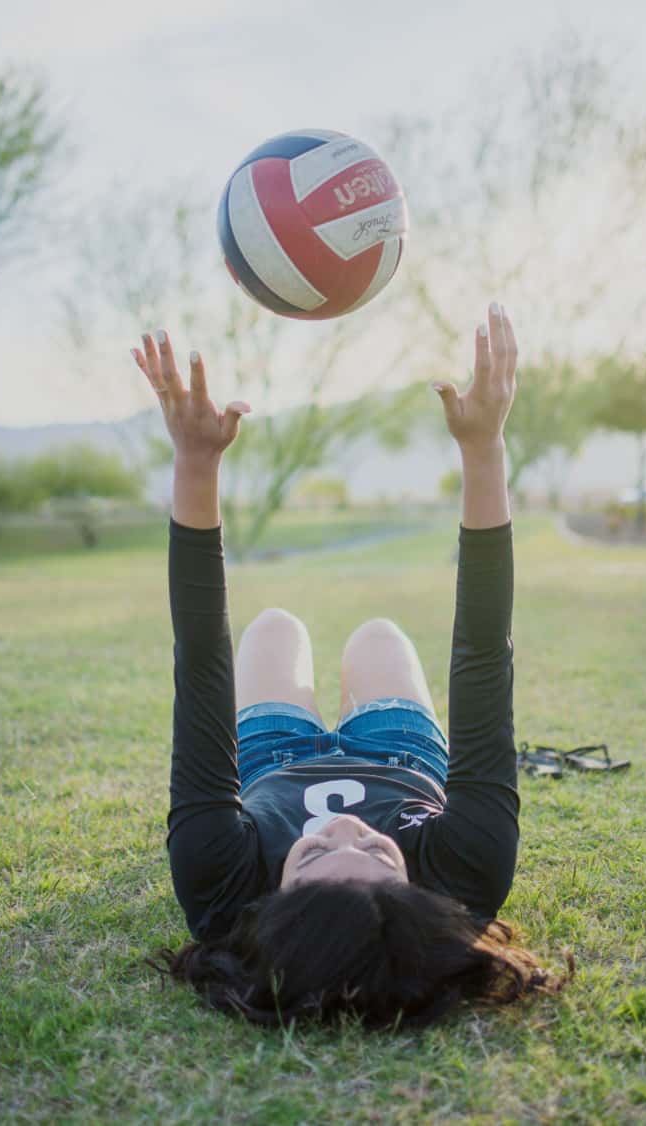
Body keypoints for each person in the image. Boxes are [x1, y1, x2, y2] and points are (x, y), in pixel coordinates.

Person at [130, 302, 568, 1028]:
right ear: (415, 890)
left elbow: (202, 668)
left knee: (275, 628)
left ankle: (299, 718)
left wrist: (195, 465)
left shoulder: (218, 888)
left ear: (271, 901)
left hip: (269, 762)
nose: (343, 830)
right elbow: (484, 656)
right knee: (377, 636)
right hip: (400, 756)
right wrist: (484, 448)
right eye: (375, 849)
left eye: (308, 858)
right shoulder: (467, 875)